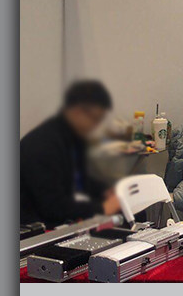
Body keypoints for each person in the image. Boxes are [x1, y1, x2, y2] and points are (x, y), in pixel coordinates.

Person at [20, 80, 121, 228]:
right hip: (34, 228)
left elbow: (81, 179)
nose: (96, 125)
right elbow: (52, 206)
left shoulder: (72, 137)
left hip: (58, 220)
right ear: (76, 111)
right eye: (95, 119)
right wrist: (102, 208)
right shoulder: (42, 145)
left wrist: (105, 191)